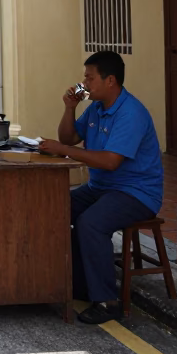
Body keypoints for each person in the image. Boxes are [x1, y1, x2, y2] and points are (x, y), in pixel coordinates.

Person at [39, 51, 164, 325]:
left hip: (136, 192)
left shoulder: (131, 112)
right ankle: (80, 285)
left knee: (91, 223)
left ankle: (108, 301)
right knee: (56, 210)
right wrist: (70, 108)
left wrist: (63, 151)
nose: (84, 82)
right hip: (101, 188)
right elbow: (69, 137)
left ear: (110, 80)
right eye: (84, 77)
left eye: (89, 77)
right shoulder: (96, 107)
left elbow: (110, 161)